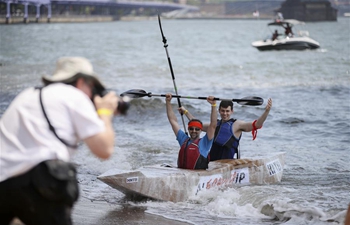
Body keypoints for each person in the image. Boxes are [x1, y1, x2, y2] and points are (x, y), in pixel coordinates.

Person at [0, 56, 122, 225]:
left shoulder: (28, 94)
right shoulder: (74, 95)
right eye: (91, 87)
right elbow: (104, 149)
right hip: (39, 183)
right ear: (81, 82)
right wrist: (105, 112)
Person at [179, 98, 272, 161]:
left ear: (232, 111)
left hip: (227, 164)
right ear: (219, 110)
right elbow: (197, 124)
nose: (225, 113)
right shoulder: (214, 125)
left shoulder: (237, 125)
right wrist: (185, 111)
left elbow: (257, 125)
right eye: (222, 111)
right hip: (212, 163)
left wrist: (266, 111)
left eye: (227, 111)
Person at [166, 93, 217, 169]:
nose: (194, 131)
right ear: (188, 129)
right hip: (183, 175)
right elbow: (173, 121)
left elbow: (213, 125)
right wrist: (168, 102)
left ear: (201, 130)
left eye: (197, 129)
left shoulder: (205, 142)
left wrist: (213, 105)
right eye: (191, 128)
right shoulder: (183, 140)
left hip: (199, 176)